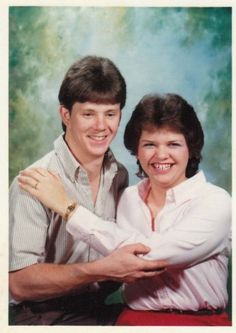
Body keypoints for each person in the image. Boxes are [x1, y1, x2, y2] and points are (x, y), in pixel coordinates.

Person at [19, 93, 232, 326]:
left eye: (173, 144)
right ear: (137, 152)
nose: (161, 155)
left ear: (190, 149)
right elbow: (115, 259)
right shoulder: (128, 198)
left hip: (200, 323)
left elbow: (149, 258)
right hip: (131, 320)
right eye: (149, 144)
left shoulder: (216, 202)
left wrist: (68, 208)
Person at [9, 56, 167, 326]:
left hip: (98, 307)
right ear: (66, 115)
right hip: (39, 316)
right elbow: (18, 284)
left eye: (110, 114)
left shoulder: (119, 175)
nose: (101, 126)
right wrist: (100, 270)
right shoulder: (33, 182)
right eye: (88, 114)